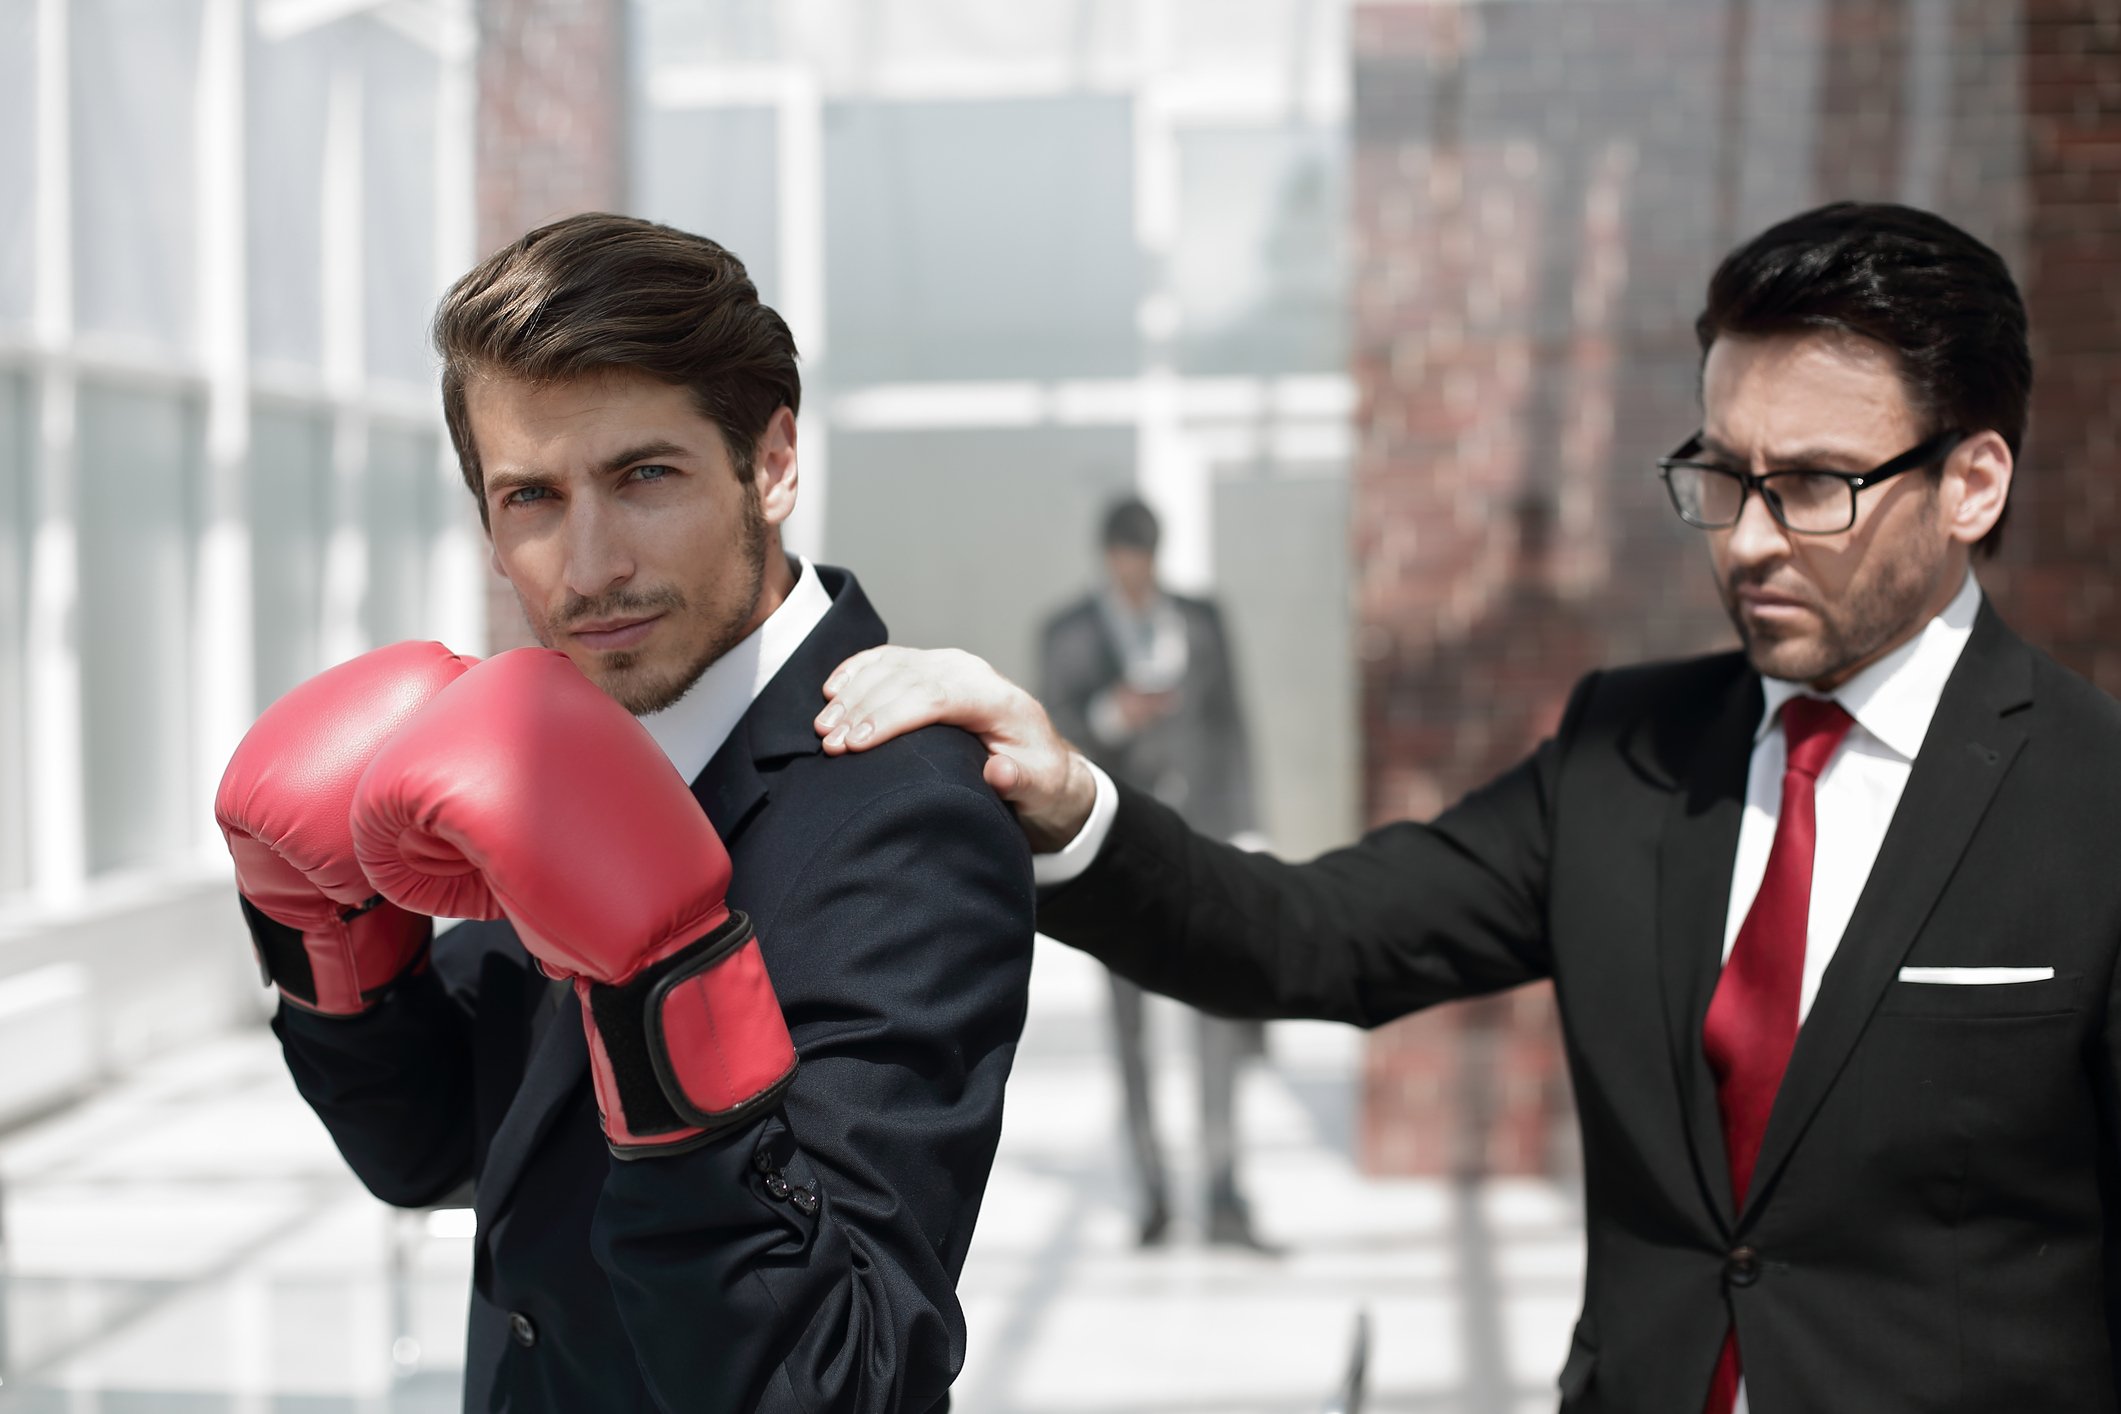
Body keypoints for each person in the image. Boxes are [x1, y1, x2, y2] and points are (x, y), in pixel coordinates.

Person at [812, 202, 2121, 1412]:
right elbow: (1312, 932)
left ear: (1974, 484)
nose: (1747, 540)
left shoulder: (2093, 804)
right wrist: (1070, 801)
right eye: (1723, 476)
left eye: (1814, 486)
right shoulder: (1629, 749)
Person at [214, 214, 1035, 1413]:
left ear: (773, 465)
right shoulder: (559, 744)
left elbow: (843, 1383)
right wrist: (324, 938)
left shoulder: (905, 812)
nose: (588, 564)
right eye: (531, 496)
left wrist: (670, 995)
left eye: (642, 475)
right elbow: (432, 1147)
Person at [1041, 496, 1271, 1249]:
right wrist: (1115, 715)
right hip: (1117, 858)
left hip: (1202, 847)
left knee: (1219, 1018)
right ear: (1108, 558)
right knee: (1131, 1031)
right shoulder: (1068, 633)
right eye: (1125, 561)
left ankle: (1223, 1187)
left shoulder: (1201, 621)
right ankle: (1154, 1196)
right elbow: (1052, 734)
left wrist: (1247, 830)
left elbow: (1232, 725)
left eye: (1146, 560)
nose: (1136, 574)